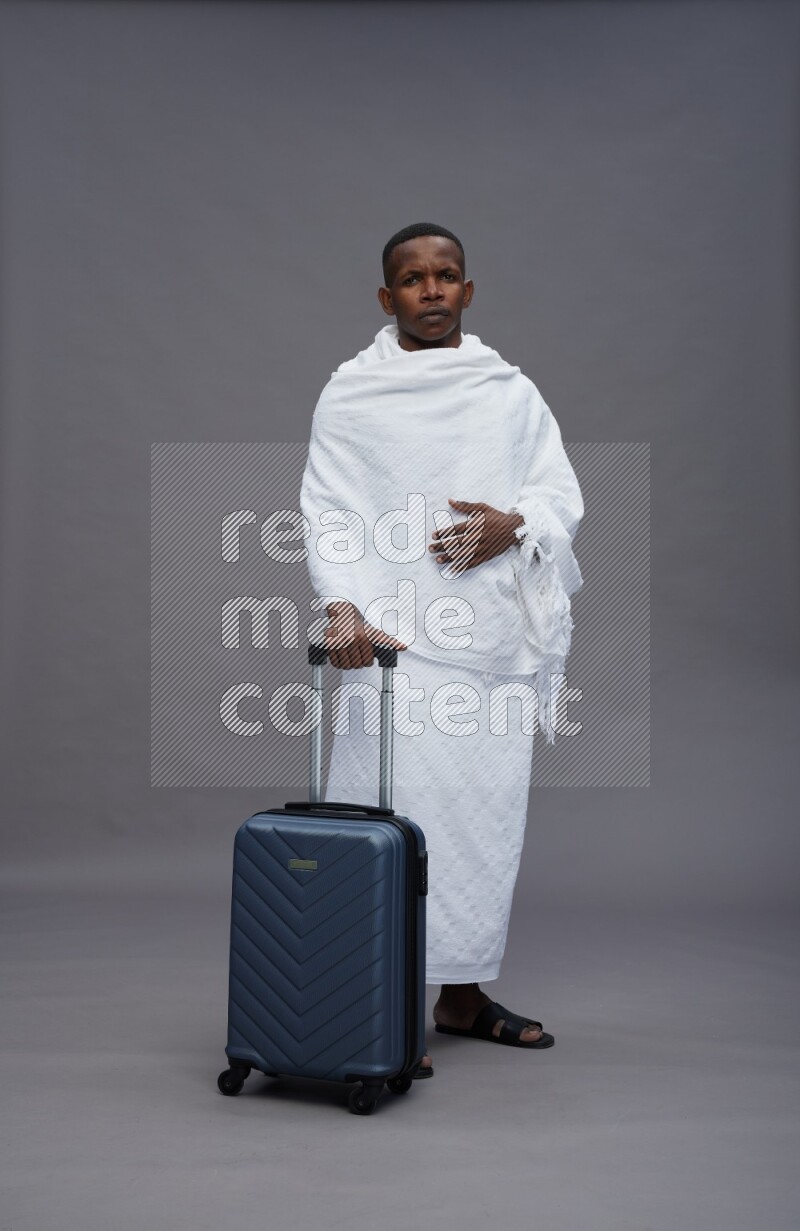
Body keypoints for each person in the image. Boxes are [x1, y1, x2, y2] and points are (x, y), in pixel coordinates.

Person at [299, 223, 583, 1075]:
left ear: (468, 290)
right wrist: (341, 608)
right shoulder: (351, 394)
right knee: (384, 815)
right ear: (387, 297)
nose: (432, 289)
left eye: (447, 275)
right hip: (389, 641)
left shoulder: (509, 393)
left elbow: (557, 491)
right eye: (414, 278)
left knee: (481, 823)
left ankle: (460, 997)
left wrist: (514, 525)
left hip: (488, 641)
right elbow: (328, 506)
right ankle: (376, 1002)